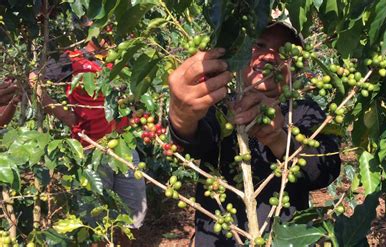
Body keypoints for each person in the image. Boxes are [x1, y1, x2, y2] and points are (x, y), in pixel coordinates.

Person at [168, 22, 341, 246]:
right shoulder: (220, 105)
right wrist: (183, 117)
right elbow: (197, 140)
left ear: (296, 67)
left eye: (284, 51)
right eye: (259, 45)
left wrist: (279, 138)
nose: (269, 57)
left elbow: (325, 169)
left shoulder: (304, 111)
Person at [31, 36, 147, 246]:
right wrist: (64, 115)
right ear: (90, 27)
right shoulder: (70, 58)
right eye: (106, 26)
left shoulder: (117, 58)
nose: (111, 31)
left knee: (132, 216)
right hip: (90, 150)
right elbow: (34, 79)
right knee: (96, 223)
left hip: (123, 146)